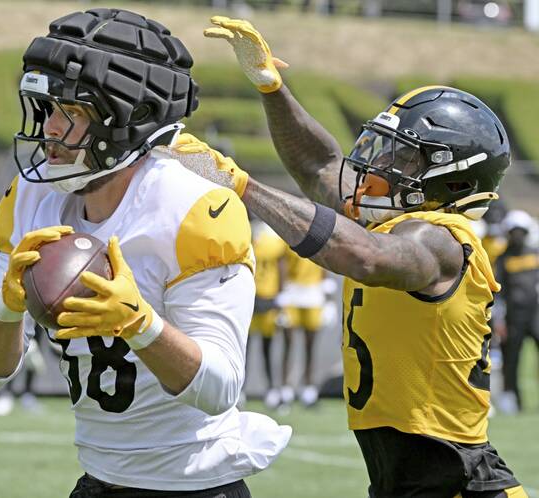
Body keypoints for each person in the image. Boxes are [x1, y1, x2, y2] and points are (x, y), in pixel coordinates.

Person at [166, 16, 528, 498]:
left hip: (457, 480)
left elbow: (367, 258)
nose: (379, 167)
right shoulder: (394, 221)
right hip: (408, 478)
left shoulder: (444, 239)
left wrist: (243, 186)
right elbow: (319, 168)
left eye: (403, 159)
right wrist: (272, 88)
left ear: (453, 180)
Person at [0, 9, 290, 497]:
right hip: (99, 479)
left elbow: (220, 389)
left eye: (69, 112)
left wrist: (140, 324)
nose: (49, 128)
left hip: (196, 485)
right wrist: (6, 308)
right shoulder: (33, 196)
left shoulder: (191, 209)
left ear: (125, 118)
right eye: (46, 108)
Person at [493, 209, 539, 414]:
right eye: (514, 232)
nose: (517, 236)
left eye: (521, 231)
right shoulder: (502, 259)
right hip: (513, 317)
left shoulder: (535, 254)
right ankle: (512, 399)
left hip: (536, 314)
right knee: (511, 360)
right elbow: (498, 292)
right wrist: (499, 320)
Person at [277, 248, 325, 408]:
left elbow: (327, 259)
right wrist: (281, 292)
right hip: (292, 291)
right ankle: (285, 391)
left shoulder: (320, 232)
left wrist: (328, 295)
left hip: (313, 291)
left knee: (310, 346)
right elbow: (281, 262)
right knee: (288, 343)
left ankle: (309, 391)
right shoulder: (289, 237)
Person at [248, 218, 286, 409]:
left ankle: (271, 389)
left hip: (266, 297)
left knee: (267, 348)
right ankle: (240, 390)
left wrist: (281, 298)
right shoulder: (247, 238)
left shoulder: (270, 241)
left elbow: (281, 269)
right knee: (247, 349)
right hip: (252, 297)